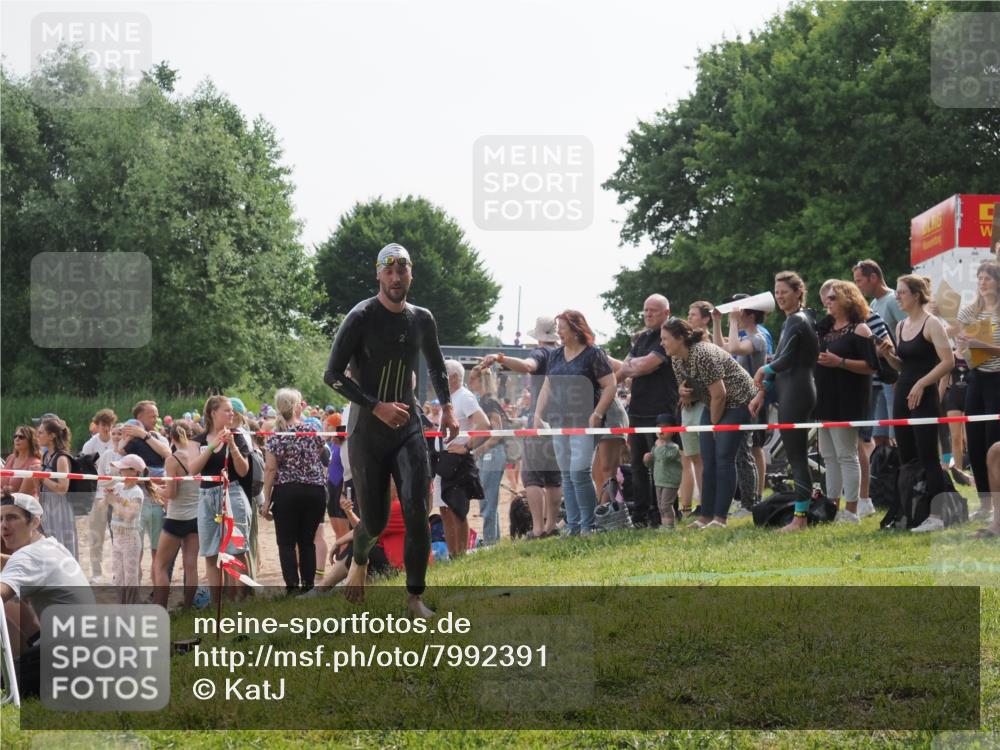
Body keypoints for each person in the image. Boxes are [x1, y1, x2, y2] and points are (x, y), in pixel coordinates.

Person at [323, 243, 457, 618]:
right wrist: (375, 406)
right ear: (378, 274)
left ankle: (415, 598)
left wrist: (447, 407)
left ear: (411, 274)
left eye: (403, 270)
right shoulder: (361, 316)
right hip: (367, 431)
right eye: (389, 270)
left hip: (408, 427)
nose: (397, 278)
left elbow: (436, 365)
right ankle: (359, 560)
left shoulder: (422, 319)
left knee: (417, 508)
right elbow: (331, 375)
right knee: (376, 521)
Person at [877, 275, 955, 532]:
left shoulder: (932, 324)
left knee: (928, 457)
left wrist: (922, 384)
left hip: (924, 397)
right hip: (903, 395)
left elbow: (948, 362)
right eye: (897, 292)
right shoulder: (901, 327)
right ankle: (908, 511)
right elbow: (903, 367)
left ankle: (937, 515)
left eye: (901, 293)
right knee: (907, 457)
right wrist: (888, 355)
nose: (897, 297)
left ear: (916, 295)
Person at [665, 318, 757, 529]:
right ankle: (706, 516)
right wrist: (683, 391)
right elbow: (687, 388)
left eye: (665, 339)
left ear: (680, 339)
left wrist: (715, 425)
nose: (662, 343)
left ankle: (720, 518)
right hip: (713, 402)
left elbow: (720, 394)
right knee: (708, 459)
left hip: (739, 401)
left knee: (724, 458)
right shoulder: (676, 359)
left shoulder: (703, 353)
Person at [1, 491, 93, 698]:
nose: (4, 526)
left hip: (70, 659)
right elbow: (21, 566)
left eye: (12, 517)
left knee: (2, 679)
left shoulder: (27, 557)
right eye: (0, 519)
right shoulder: (51, 545)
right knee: (11, 607)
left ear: (34, 521)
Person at [535, 310, 617, 535]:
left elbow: (610, 385)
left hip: (585, 422)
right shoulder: (556, 355)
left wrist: (598, 413)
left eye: (562, 327)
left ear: (575, 329)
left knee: (579, 472)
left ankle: (588, 525)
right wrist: (537, 414)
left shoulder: (594, 354)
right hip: (559, 422)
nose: (558, 332)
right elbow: (547, 386)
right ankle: (573, 525)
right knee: (567, 475)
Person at [480, 316, 563, 539]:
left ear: (538, 336)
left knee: (532, 476)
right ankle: (552, 525)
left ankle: (537, 528)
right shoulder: (564, 353)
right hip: (561, 422)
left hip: (539, 421)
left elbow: (528, 366)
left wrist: (499, 357)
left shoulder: (541, 353)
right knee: (554, 478)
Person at [752, 271, 819, 533]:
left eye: (785, 291)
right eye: (776, 292)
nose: (779, 296)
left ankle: (800, 519)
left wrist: (762, 372)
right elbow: (781, 362)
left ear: (798, 293)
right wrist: (763, 391)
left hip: (798, 391)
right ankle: (800, 514)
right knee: (795, 456)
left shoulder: (798, 320)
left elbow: (785, 359)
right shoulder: (794, 320)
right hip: (791, 389)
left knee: (797, 456)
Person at [814, 280, 878, 523]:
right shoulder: (826, 329)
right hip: (825, 399)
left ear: (847, 300)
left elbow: (872, 366)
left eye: (833, 298)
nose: (827, 302)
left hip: (847, 401)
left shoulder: (860, 329)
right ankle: (832, 507)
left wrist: (839, 362)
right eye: (827, 298)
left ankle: (851, 510)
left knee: (846, 455)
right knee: (829, 457)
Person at [615, 295, 676, 527]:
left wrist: (634, 367)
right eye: (645, 310)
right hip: (637, 411)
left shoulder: (666, 337)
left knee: (661, 465)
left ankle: (664, 513)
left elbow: (643, 365)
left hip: (660, 411)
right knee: (639, 465)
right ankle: (640, 515)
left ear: (666, 313)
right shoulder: (642, 339)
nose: (648, 314)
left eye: (653, 310)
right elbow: (625, 368)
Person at [261, 388, 328, 593]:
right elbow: (320, 455)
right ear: (297, 406)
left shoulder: (276, 436)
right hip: (314, 491)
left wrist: (266, 501)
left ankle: (292, 586)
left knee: (286, 542)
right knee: (307, 541)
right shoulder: (312, 430)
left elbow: (271, 469)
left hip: (287, 492)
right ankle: (308, 586)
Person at [187, 396, 252, 603]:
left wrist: (232, 446)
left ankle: (240, 601)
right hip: (207, 497)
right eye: (227, 410)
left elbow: (243, 471)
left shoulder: (238, 436)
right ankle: (217, 603)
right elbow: (193, 469)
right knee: (210, 553)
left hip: (232, 493)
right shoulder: (197, 440)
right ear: (213, 413)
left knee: (236, 551)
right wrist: (212, 446)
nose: (231, 414)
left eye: (232, 411)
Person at [712, 296, 770, 516]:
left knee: (744, 453)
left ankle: (750, 502)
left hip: (751, 401)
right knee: (739, 453)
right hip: (740, 401)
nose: (734, 316)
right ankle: (747, 500)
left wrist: (733, 321)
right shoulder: (748, 337)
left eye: (739, 312)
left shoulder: (758, 338)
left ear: (750, 314)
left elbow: (734, 346)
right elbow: (724, 350)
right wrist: (718, 322)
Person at [954, 262, 1000, 504]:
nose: (982, 282)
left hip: (998, 380)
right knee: (974, 440)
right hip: (976, 377)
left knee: (994, 441)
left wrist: (981, 345)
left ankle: (996, 503)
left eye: (988, 278)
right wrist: (963, 346)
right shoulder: (969, 311)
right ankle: (984, 503)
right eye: (979, 278)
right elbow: (960, 347)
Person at [435, 360, 489, 556]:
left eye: (443, 375)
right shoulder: (449, 399)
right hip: (445, 460)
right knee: (445, 509)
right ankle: (453, 554)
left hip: (458, 462)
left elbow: (484, 425)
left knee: (457, 508)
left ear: (454, 377)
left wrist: (467, 446)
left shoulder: (465, 397)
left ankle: (461, 555)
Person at [854, 260, 904, 449]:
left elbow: (907, 334)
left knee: (895, 431)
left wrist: (901, 370)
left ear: (873, 277)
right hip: (881, 377)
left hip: (894, 375)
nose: (858, 286)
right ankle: (884, 475)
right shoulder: (874, 303)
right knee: (880, 434)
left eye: (860, 281)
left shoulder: (893, 300)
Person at [153, 421, 202, 608]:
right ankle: (188, 606)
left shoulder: (173, 459)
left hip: (176, 518)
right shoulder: (200, 456)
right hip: (195, 517)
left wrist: (156, 488)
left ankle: (161, 607)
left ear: (171, 438)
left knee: (160, 566)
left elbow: (171, 493)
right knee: (191, 566)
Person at [79, 409, 118, 582]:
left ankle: (118, 571)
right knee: (96, 535)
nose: (106, 428)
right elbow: (84, 468)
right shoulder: (90, 444)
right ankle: (96, 572)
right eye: (103, 425)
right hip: (97, 495)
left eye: (109, 425)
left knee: (118, 533)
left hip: (116, 494)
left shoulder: (116, 442)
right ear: (97, 425)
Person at [469, 365, 507, 545]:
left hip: (492, 453)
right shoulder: (484, 400)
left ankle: (491, 542)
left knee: (488, 501)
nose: (470, 382)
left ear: (481, 380)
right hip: (488, 454)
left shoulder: (489, 401)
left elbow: (497, 433)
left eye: (472, 379)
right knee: (487, 501)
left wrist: (477, 450)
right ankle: (493, 541)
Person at [103, 454, 147, 604]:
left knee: (130, 579)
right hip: (117, 538)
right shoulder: (119, 486)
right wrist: (107, 496)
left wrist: (113, 502)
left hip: (130, 540)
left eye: (123, 468)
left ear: (134, 471)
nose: (120, 471)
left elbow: (129, 516)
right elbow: (103, 503)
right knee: (119, 578)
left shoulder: (137, 492)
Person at [34, 417, 80, 559]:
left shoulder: (61, 458)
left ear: (52, 435)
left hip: (60, 507)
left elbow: (62, 488)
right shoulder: (45, 455)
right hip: (46, 505)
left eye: (41, 432)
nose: (38, 435)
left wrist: (42, 477)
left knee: (62, 545)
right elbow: (41, 485)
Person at [643, 413, 682, 530]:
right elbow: (652, 465)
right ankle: (665, 525)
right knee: (660, 506)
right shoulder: (656, 447)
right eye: (659, 426)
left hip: (670, 481)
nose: (661, 429)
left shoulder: (673, 447)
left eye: (665, 427)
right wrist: (647, 460)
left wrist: (659, 447)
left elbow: (665, 458)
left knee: (666, 505)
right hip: (659, 480)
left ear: (673, 431)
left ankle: (670, 526)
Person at [2, 426, 41, 497]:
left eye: (21, 437)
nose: (17, 439)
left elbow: (21, 496)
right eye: (15, 436)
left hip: (21, 505)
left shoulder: (35, 464)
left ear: (30, 441)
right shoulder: (10, 458)